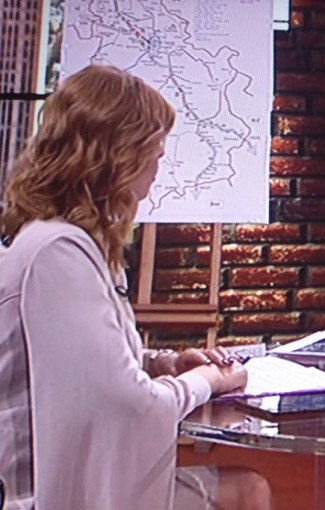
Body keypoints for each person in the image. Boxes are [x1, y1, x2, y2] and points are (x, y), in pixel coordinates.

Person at [0, 65, 273, 510]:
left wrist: (163, 363)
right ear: (118, 156)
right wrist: (206, 380)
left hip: (58, 474)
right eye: (154, 153)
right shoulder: (58, 252)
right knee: (245, 492)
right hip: (42, 492)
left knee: (248, 486)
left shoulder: (64, 239)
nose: (157, 168)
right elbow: (124, 406)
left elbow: (78, 363)